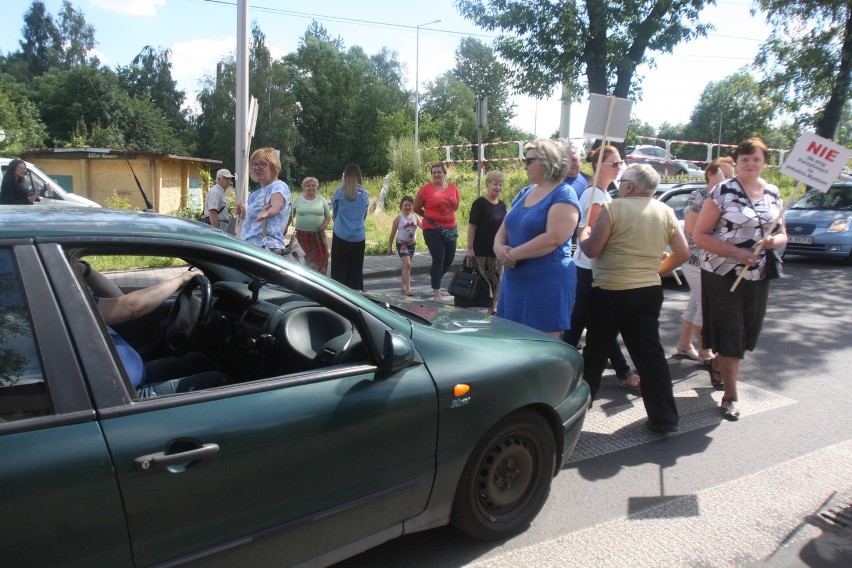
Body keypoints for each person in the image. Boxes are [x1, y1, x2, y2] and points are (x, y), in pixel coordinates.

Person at [579, 163, 689, 433]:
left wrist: (583, 232)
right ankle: (664, 417)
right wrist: (656, 270)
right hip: (648, 291)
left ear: (629, 186)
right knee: (650, 355)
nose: (619, 183)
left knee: (595, 354)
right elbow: (683, 253)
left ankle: (577, 416)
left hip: (611, 291)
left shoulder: (614, 208)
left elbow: (592, 250)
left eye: (622, 179)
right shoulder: (665, 211)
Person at [693, 138, 786, 421]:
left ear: (765, 163)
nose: (749, 164)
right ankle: (730, 395)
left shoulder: (773, 192)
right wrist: (736, 252)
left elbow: (784, 234)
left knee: (747, 332)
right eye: (744, 160)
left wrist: (773, 241)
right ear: (736, 163)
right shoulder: (722, 192)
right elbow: (700, 235)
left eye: (755, 159)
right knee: (732, 330)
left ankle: (719, 364)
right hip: (722, 273)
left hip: (758, 274)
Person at [75, 259, 228, 398]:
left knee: (199, 361)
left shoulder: (63, 294)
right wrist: (180, 280)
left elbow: (116, 297)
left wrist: (85, 270)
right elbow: (131, 307)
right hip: (126, 395)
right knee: (222, 382)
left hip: (131, 377)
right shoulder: (66, 302)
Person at [565, 145, 640, 390]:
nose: (619, 168)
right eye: (614, 163)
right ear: (599, 166)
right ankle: (620, 372)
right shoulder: (596, 195)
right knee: (588, 321)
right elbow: (597, 235)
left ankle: (620, 371)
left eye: (620, 163)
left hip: (592, 266)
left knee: (590, 321)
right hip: (591, 266)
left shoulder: (602, 194)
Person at [494, 139, 580, 336]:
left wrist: (513, 254)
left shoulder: (564, 194)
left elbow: (554, 238)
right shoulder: (525, 192)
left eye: (529, 160)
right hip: (515, 281)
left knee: (541, 348)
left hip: (546, 282)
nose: (525, 166)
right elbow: (504, 227)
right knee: (509, 341)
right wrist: (499, 248)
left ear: (548, 162)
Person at [674, 156, 736, 369]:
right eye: (724, 175)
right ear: (711, 174)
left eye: (731, 176)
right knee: (705, 304)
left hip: (715, 260)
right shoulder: (698, 196)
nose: (728, 180)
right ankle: (705, 350)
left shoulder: (731, 198)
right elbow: (691, 229)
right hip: (695, 258)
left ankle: (683, 344)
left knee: (695, 302)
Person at [414, 162, 460, 302]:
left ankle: (435, 279)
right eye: (434, 172)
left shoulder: (453, 188)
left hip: (451, 227)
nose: (436, 175)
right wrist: (430, 217)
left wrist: (446, 217)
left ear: (444, 173)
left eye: (439, 172)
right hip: (432, 228)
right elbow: (416, 208)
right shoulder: (425, 190)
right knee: (438, 259)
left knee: (449, 258)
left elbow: (455, 206)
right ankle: (437, 294)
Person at [466, 170, 508, 314]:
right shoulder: (480, 203)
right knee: (482, 283)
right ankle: (476, 310)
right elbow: (472, 227)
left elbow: (505, 228)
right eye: (495, 184)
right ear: (487, 184)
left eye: (500, 185)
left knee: (496, 282)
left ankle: (492, 310)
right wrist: (470, 248)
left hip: (496, 252)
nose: (498, 187)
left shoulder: (502, 206)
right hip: (480, 251)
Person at [236, 148, 291, 251]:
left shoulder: (278, 186)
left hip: (266, 250)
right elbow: (256, 223)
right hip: (250, 249)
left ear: (273, 165)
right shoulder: (255, 194)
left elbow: (276, 206)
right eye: (254, 164)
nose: (257, 168)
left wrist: (269, 212)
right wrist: (245, 214)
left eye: (262, 164)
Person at [330, 164, 370, 290]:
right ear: (359, 175)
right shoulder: (365, 194)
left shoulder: (339, 192)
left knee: (338, 272)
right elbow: (364, 215)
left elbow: (335, 215)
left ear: (345, 175)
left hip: (341, 235)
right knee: (356, 272)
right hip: (358, 237)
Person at [290, 176, 332, 273]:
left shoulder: (321, 200)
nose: (311, 188)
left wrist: (324, 225)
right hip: (301, 236)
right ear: (304, 187)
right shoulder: (297, 200)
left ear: (317, 187)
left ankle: (319, 282)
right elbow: (290, 215)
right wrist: (284, 229)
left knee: (320, 260)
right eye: (308, 186)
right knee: (301, 260)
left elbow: (328, 215)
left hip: (317, 236)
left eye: (314, 185)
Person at [387, 195, 421, 296]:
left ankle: (403, 285)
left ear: (412, 206)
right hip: (401, 244)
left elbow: (425, 227)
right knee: (408, 264)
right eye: (405, 205)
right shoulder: (398, 218)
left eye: (409, 205)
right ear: (401, 206)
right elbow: (392, 234)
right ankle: (408, 289)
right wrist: (389, 247)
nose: (407, 207)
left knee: (405, 266)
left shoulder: (416, 218)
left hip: (412, 245)